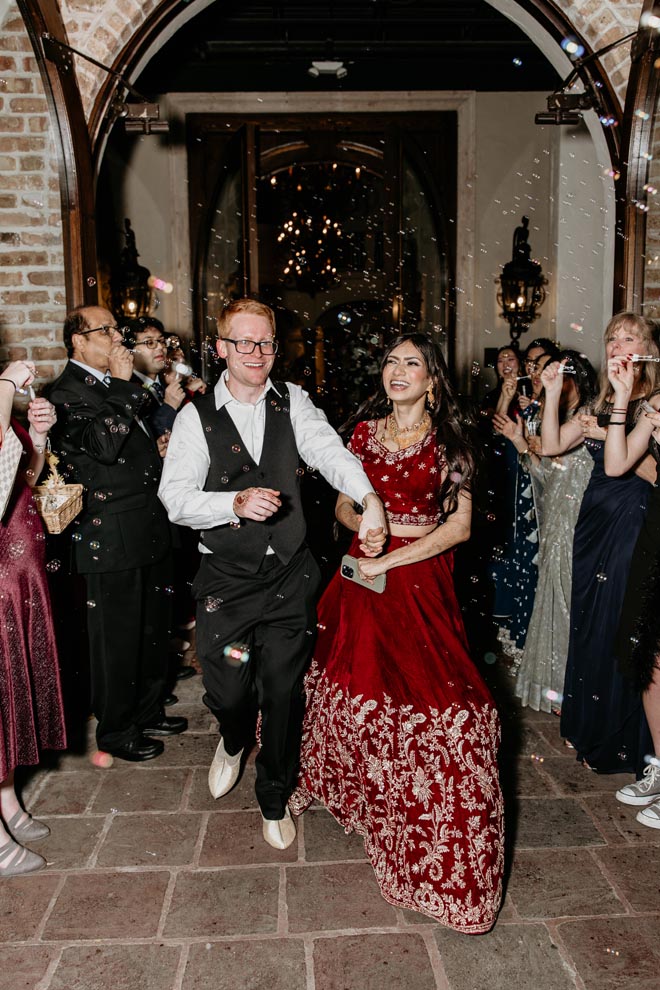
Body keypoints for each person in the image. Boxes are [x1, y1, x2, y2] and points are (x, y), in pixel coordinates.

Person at [289, 333, 504, 933]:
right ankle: (370, 800)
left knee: (447, 709)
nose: (398, 371)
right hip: (360, 581)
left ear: (433, 378)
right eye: (390, 361)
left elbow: (459, 528)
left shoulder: (454, 441)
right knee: (360, 686)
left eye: (412, 362)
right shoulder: (361, 435)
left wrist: (390, 559)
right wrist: (368, 524)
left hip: (419, 585)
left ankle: (445, 859)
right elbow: (339, 508)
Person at [158, 298, 387, 851]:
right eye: (243, 342)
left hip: (289, 577)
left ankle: (274, 797)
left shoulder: (294, 401)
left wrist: (368, 496)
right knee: (230, 689)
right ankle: (234, 738)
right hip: (226, 582)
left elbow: (329, 452)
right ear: (221, 350)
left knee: (283, 691)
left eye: (265, 342)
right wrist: (232, 503)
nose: (256, 352)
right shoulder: (196, 417)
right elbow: (174, 498)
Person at [48, 306, 186, 763]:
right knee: (118, 638)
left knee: (152, 628)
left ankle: (146, 711)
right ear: (78, 342)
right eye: (104, 330)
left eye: (114, 328)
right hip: (107, 533)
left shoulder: (113, 385)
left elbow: (131, 440)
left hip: (146, 521)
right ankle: (116, 730)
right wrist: (127, 386)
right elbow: (104, 448)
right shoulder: (64, 392)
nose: (115, 337)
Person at [541, 313, 659, 774]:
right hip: (592, 522)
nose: (617, 345)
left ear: (647, 346)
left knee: (619, 623)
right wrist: (552, 395)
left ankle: (626, 741)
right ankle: (593, 727)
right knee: (590, 621)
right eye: (612, 338)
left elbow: (643, 470)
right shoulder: (601, 400)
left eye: (629, 337)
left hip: (634, 521)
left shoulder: (650, 403)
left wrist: (614, 430)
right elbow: (550, 445)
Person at [497, 351, 596, 712]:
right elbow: (545, 476)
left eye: (560, 375)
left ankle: (578, 689)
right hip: (557, 526)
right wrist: (519, 441)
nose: (550, 381)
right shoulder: (560, 419)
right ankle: (560, 687)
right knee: (554, 602)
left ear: (577, 380)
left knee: (574, 607)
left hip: (581, 526)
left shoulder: (587, 418)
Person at [0, 360, 66, 876]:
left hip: (16, 579)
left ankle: (5, 804)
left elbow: (23, 478)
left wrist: (37, 438)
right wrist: (5, 387)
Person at [603, 354, 660, 824]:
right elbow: (617, 462)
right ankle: (659, 767)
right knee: (652, 659)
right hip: (656, 541)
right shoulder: (656, 404)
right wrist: (623, 397)